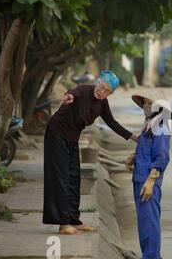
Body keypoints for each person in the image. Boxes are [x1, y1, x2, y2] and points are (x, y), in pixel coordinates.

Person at [43, 71, 138, 235]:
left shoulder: (102, 104)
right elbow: (73, 93)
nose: (102, 92)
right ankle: (63, 223)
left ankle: (74, 220)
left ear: (111, 93)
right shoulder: (84, 90)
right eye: (102, 87)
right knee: (61, 177)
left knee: (74, 177)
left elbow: (112, 123)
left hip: (72, 138)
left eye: (107, 91)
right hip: (56, 134)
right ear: (98, 83)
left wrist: (133, 137)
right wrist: (69, 97)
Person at [126, 93, 172, 259]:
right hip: (140, 178)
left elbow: (162, 158)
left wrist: (151, 182)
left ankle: (152, 257)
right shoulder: (149, 126)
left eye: (150, 104)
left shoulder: (161, 129)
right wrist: (134, 157)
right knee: (143, 218)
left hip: (148, 181)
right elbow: (147, 150)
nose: (146, 106)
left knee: (149, 218)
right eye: (145, 104)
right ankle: (147, 254)